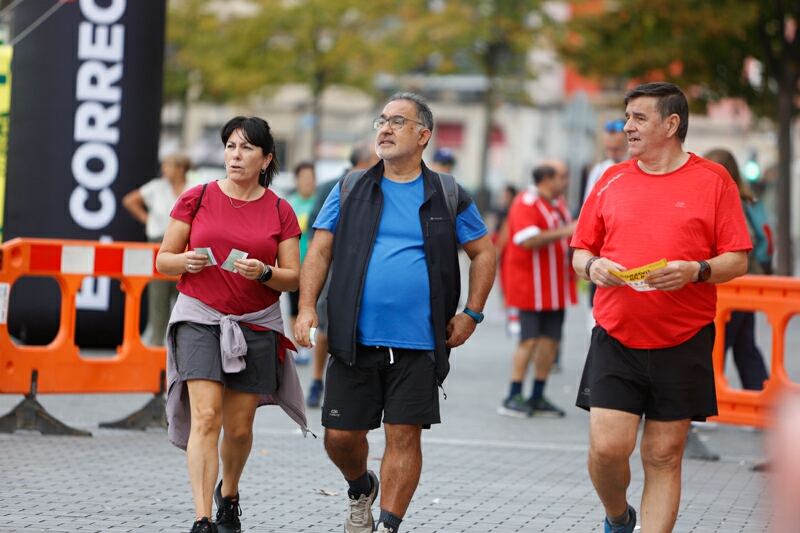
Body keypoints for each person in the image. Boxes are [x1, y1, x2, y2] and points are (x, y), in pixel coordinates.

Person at [294, 92, 496, 533]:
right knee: (341, 438)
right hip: (353, 339)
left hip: (421, 342)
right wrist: (307, 306)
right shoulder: (348, 188)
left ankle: (388, 526)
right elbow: (320, 250)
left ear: (422, 136)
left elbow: (484, 253)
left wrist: (472, 314)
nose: (384, 129)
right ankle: (358, 484)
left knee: (404, 436)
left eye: (397, 122)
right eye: (381, 121)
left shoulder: (447, 193)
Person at [571, 82, 751, 533]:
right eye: (627, 116)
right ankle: (618, 516)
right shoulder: (610, 178)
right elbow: (578, 251)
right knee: (608, 450)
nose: (627, 127)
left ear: (671, 124)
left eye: (638, 118)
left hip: (684, 339)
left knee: (664, 455)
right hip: (615, 334)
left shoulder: (714, 180)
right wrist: (593, 267)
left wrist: (698, 270)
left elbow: (738, 258)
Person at [157, 116, 308, 533]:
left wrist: (263, 272)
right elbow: (163, 259)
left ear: (266, 159)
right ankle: (203, 517)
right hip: (199, 317)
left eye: (245, 149)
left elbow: (293, 276)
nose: (235, 156)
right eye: (229, 147)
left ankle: (230, 494)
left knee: (239, 429)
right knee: (206, 416)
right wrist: (183, 261)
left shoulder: (281, 210)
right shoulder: (198, 196)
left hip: (256, 324)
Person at [497, 159, 577, 418]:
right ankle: (513, 395)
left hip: (555, 288)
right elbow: (526, 239)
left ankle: (537, 395)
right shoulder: (526, 202)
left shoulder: (558, 203)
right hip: (530, 287)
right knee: (528, 341)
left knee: (550, 342)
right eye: (562, 177)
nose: (566, 182)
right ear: (546, 179)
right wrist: (567, 230)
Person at [305, 141, 380, 407]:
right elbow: (317, 233)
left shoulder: (381, 185)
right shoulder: (334, 187)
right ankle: (316, 382)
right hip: (337, 270)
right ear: (362, 162)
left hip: (368, 273)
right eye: (374, 158)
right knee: (325, 329)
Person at [703, 148, 771, 391]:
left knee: (718, 343)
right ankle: (760, 398)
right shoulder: (748, 197)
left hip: (735, 281)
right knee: (744, 344)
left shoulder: (730, 200)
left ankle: (701, 406)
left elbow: (746, 241)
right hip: (748, 281)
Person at [122, 153, 192, 346]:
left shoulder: (194, 188)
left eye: (169, 165)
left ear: (181, 168)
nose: (164, 169)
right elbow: (129, 200)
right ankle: (156, 341)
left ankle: (183, 342)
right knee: (158, 294)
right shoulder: (157, 187)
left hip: (185, 243)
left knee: (185, 293)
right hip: (158, 241)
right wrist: (148, 221)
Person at [286, 161, 317, 364]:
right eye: (303, 178)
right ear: (297, 180)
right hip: (294, 265)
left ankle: (310, 344)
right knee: (294, 308)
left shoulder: (320, 202)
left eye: (310, 178)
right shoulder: (289, 203)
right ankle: (298, 344)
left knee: (312, 306)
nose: (307, 182)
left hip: (315, 266)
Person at [583, 119, 629, 202]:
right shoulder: (598, 172)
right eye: (608, 149)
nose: (611, 153)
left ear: (628, 144)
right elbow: (588, 205)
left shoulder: (640, 168)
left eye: (616, 149)